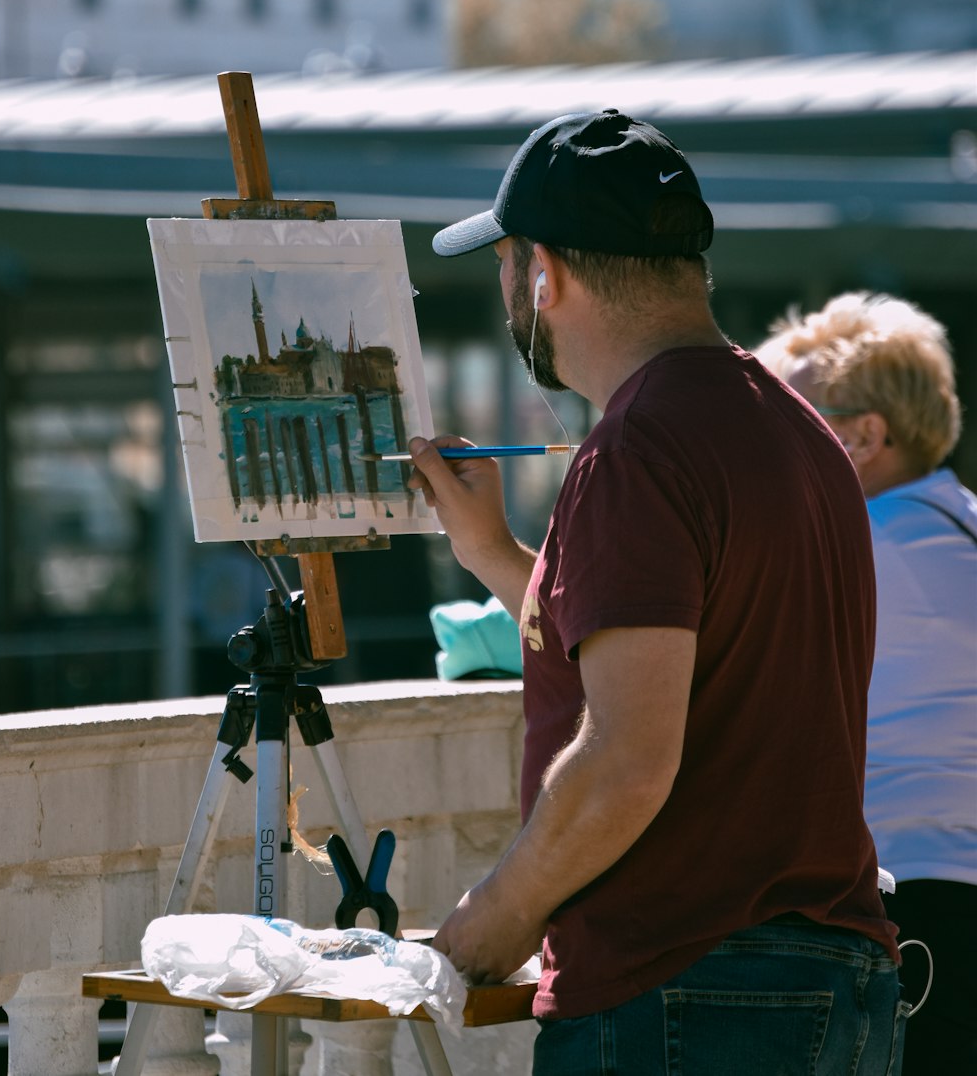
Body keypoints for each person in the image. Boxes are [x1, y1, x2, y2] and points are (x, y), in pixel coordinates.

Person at [408, 110, 904, 1076]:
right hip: (828, 981)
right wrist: (498, 556)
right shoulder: (791, 426)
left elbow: (628, 759)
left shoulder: (637, 449)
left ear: (543, 273)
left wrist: (484, 929)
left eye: (508, 263)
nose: (508, 291)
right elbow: (692, 645)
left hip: (686, 993)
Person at [756, 291, 977, 1075]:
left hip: (910, 915)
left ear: (863, 436)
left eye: (790, 418)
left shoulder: (857, 548)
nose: (763, 443)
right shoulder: (956, 525)